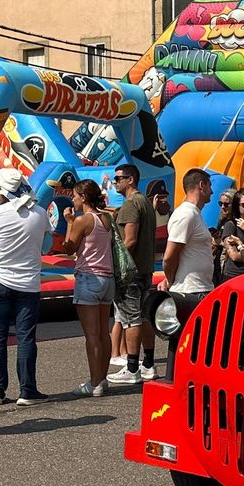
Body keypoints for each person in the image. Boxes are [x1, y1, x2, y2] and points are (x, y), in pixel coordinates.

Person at [0, 169, 52, 406]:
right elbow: (45, 244)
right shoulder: (40, 214)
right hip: (29, 284)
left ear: (2, 192)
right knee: (26, 338)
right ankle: (27, 390)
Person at [61, 179, 115, 397]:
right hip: (107, 278)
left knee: (91, 335)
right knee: (104, 332)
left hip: (88, 277)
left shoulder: (84, 220)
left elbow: (69, 248)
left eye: (75, 195)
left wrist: (68, 222)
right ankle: (101, 377)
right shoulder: (106, 218)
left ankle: (95, 384)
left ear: (83, 197)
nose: (73, 199)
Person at [108, 163, 159, 386]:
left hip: (131, 272)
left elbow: (129, 240)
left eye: (119, 178)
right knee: (145, 316)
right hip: (146, 268)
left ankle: (131, 368)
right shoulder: (145, 202)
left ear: (131, 180)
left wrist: (114, 261)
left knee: (131, 320)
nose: (115, 182)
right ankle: (147, 364)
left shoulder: (131, 204)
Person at [163, 169, 215, 304]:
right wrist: (170, 280)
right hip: (191, 291)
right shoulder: (186, 214)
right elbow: (169, 257)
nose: (212, 191)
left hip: (200, 289)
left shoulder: (194, 214)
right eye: (210, 186)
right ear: (202, 185)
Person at [212, 188, 238, 283]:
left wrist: (220, 242)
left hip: (230, 267)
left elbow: (239, 243)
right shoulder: (222, 220)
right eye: (221, 204)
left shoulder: (238, 223)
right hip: (218, 264)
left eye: (226, 204)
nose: (223, 207)